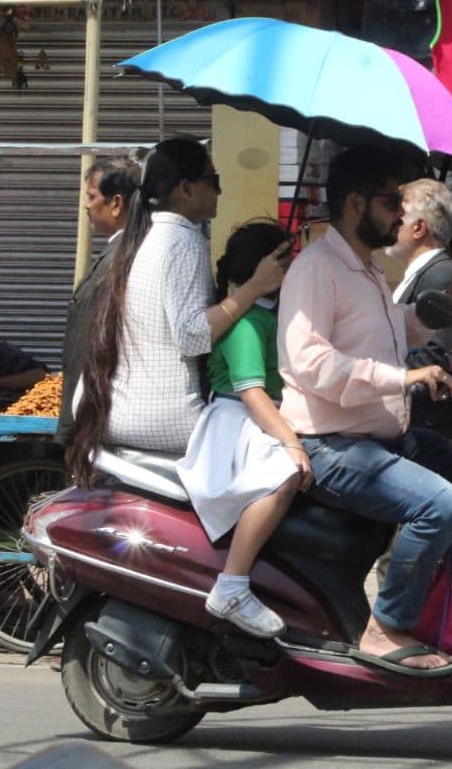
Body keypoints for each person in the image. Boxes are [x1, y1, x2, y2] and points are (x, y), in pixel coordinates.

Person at [278, 146, 452, 676]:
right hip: (330, 447)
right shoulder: (316, 269)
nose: (400, 213)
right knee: (439, 504)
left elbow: (399, 333)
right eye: (391, 200)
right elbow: (312, 365)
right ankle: (385, 626)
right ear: (354, 203)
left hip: (377, 437)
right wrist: (404, 377)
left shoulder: (369, 270)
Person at [68, 136, 289, 479]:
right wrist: (255, 287)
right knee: (278, 468)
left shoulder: (142, 234)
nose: (220, 191)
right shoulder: (182, 239)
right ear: (185, 189)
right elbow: (192, 335)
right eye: (213, 181)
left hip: (112, 411)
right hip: (164, 421)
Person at [176, 220, 311, 638]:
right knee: (284, 477)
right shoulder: (248, 321)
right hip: (238, 423)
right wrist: (291, 444)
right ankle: (232, 584)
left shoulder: (274, 314)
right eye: (287, 262)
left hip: (258, 417)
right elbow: (251, 393)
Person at [55, 156, 141, 448]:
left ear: (116, 204)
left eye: (92, 197)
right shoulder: (122, 254)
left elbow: (88, 346)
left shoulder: (118, 263)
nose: (87, 206)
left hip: (101, 413)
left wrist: (72, 425)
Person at [389, 178, 452, 305]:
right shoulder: (430, 272)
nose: (390, 221)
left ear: (419, 228)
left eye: (399, 215)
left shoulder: (440, 276)